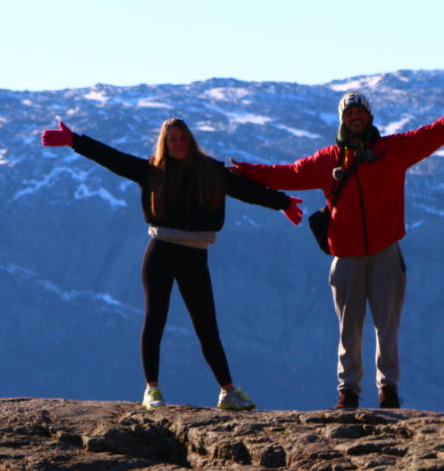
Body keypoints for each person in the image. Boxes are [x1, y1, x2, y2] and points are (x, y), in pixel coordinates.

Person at [229, 83, 444, 409]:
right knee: (350, 329)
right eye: (350, 113)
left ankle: (388, 391)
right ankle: (348, 392)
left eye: (360, 112)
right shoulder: (327, 160)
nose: (356, 118)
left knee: (386, 326)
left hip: (385, 251)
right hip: (346, 256)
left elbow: (436, 133)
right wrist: (246, 172)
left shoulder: (394, 150)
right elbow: (287, 174)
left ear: (369, 117)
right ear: (342, 121)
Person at [42, 118, 303, 410]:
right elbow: (112, 158)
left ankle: (227, 392)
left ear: (190, 140)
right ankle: (151, 389)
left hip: (195, 255)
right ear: (165, 144)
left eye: (181, 138)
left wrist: (283, 203)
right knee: (155, 320)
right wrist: (74, 140)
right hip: (161, 252)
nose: (177, 143)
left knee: (207, 326)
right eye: (171, 139)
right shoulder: (153, 171)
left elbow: (245, 190)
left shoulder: (212, 171)